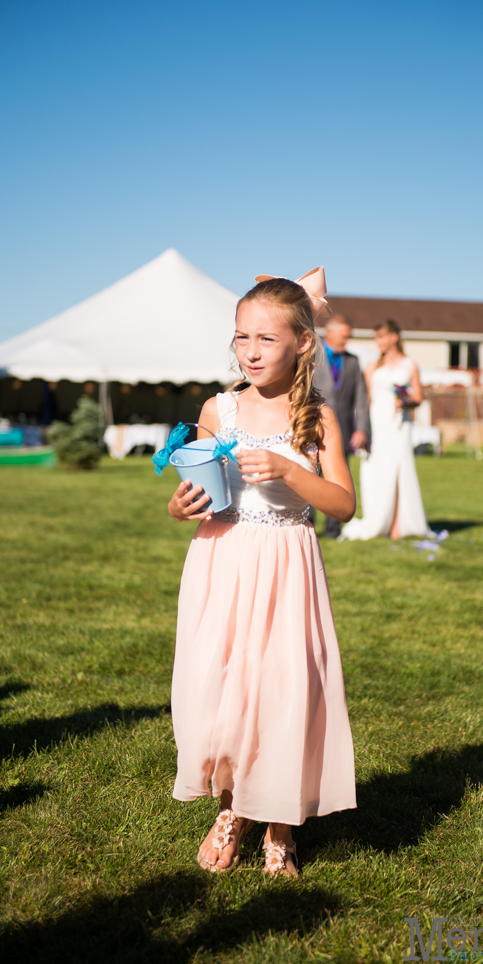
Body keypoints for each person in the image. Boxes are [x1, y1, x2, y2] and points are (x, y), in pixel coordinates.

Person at [167, 268, 356, 878]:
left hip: (286, 567)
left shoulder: (316, 419)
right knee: (224, 695)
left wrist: (288, 471)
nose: (250, 351)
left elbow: (344, 505)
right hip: (222, 562)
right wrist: (179, 506)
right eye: (241, 338)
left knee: (279, 693)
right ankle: (231, 811)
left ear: (303, 342)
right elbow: (202, 490)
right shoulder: (217, 409)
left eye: (266, 340)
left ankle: (279, 826)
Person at [339, 318, 430, 541]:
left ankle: (399, 524)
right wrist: (361, 428)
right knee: (377, 471)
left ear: (394, 337)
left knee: (399, 469)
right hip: (376, 424)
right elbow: (365, 400)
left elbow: (418, 397)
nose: (378, 341)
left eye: (381, 337)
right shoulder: (372, 367)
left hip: (399, 424)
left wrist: (405, 402)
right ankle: (380, 519)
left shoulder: (410, 365)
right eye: (376, 337)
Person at [313, 314, 370, 538]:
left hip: (344, 431)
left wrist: (362, 429)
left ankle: (333, 529)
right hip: (311, 428)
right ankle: (305, 524)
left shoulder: (353, 362)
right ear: (331, 333)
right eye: (344, 337)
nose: (347, 341)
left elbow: (361, 400)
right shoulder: (310, 355)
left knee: (338, 482)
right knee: (309, 476)